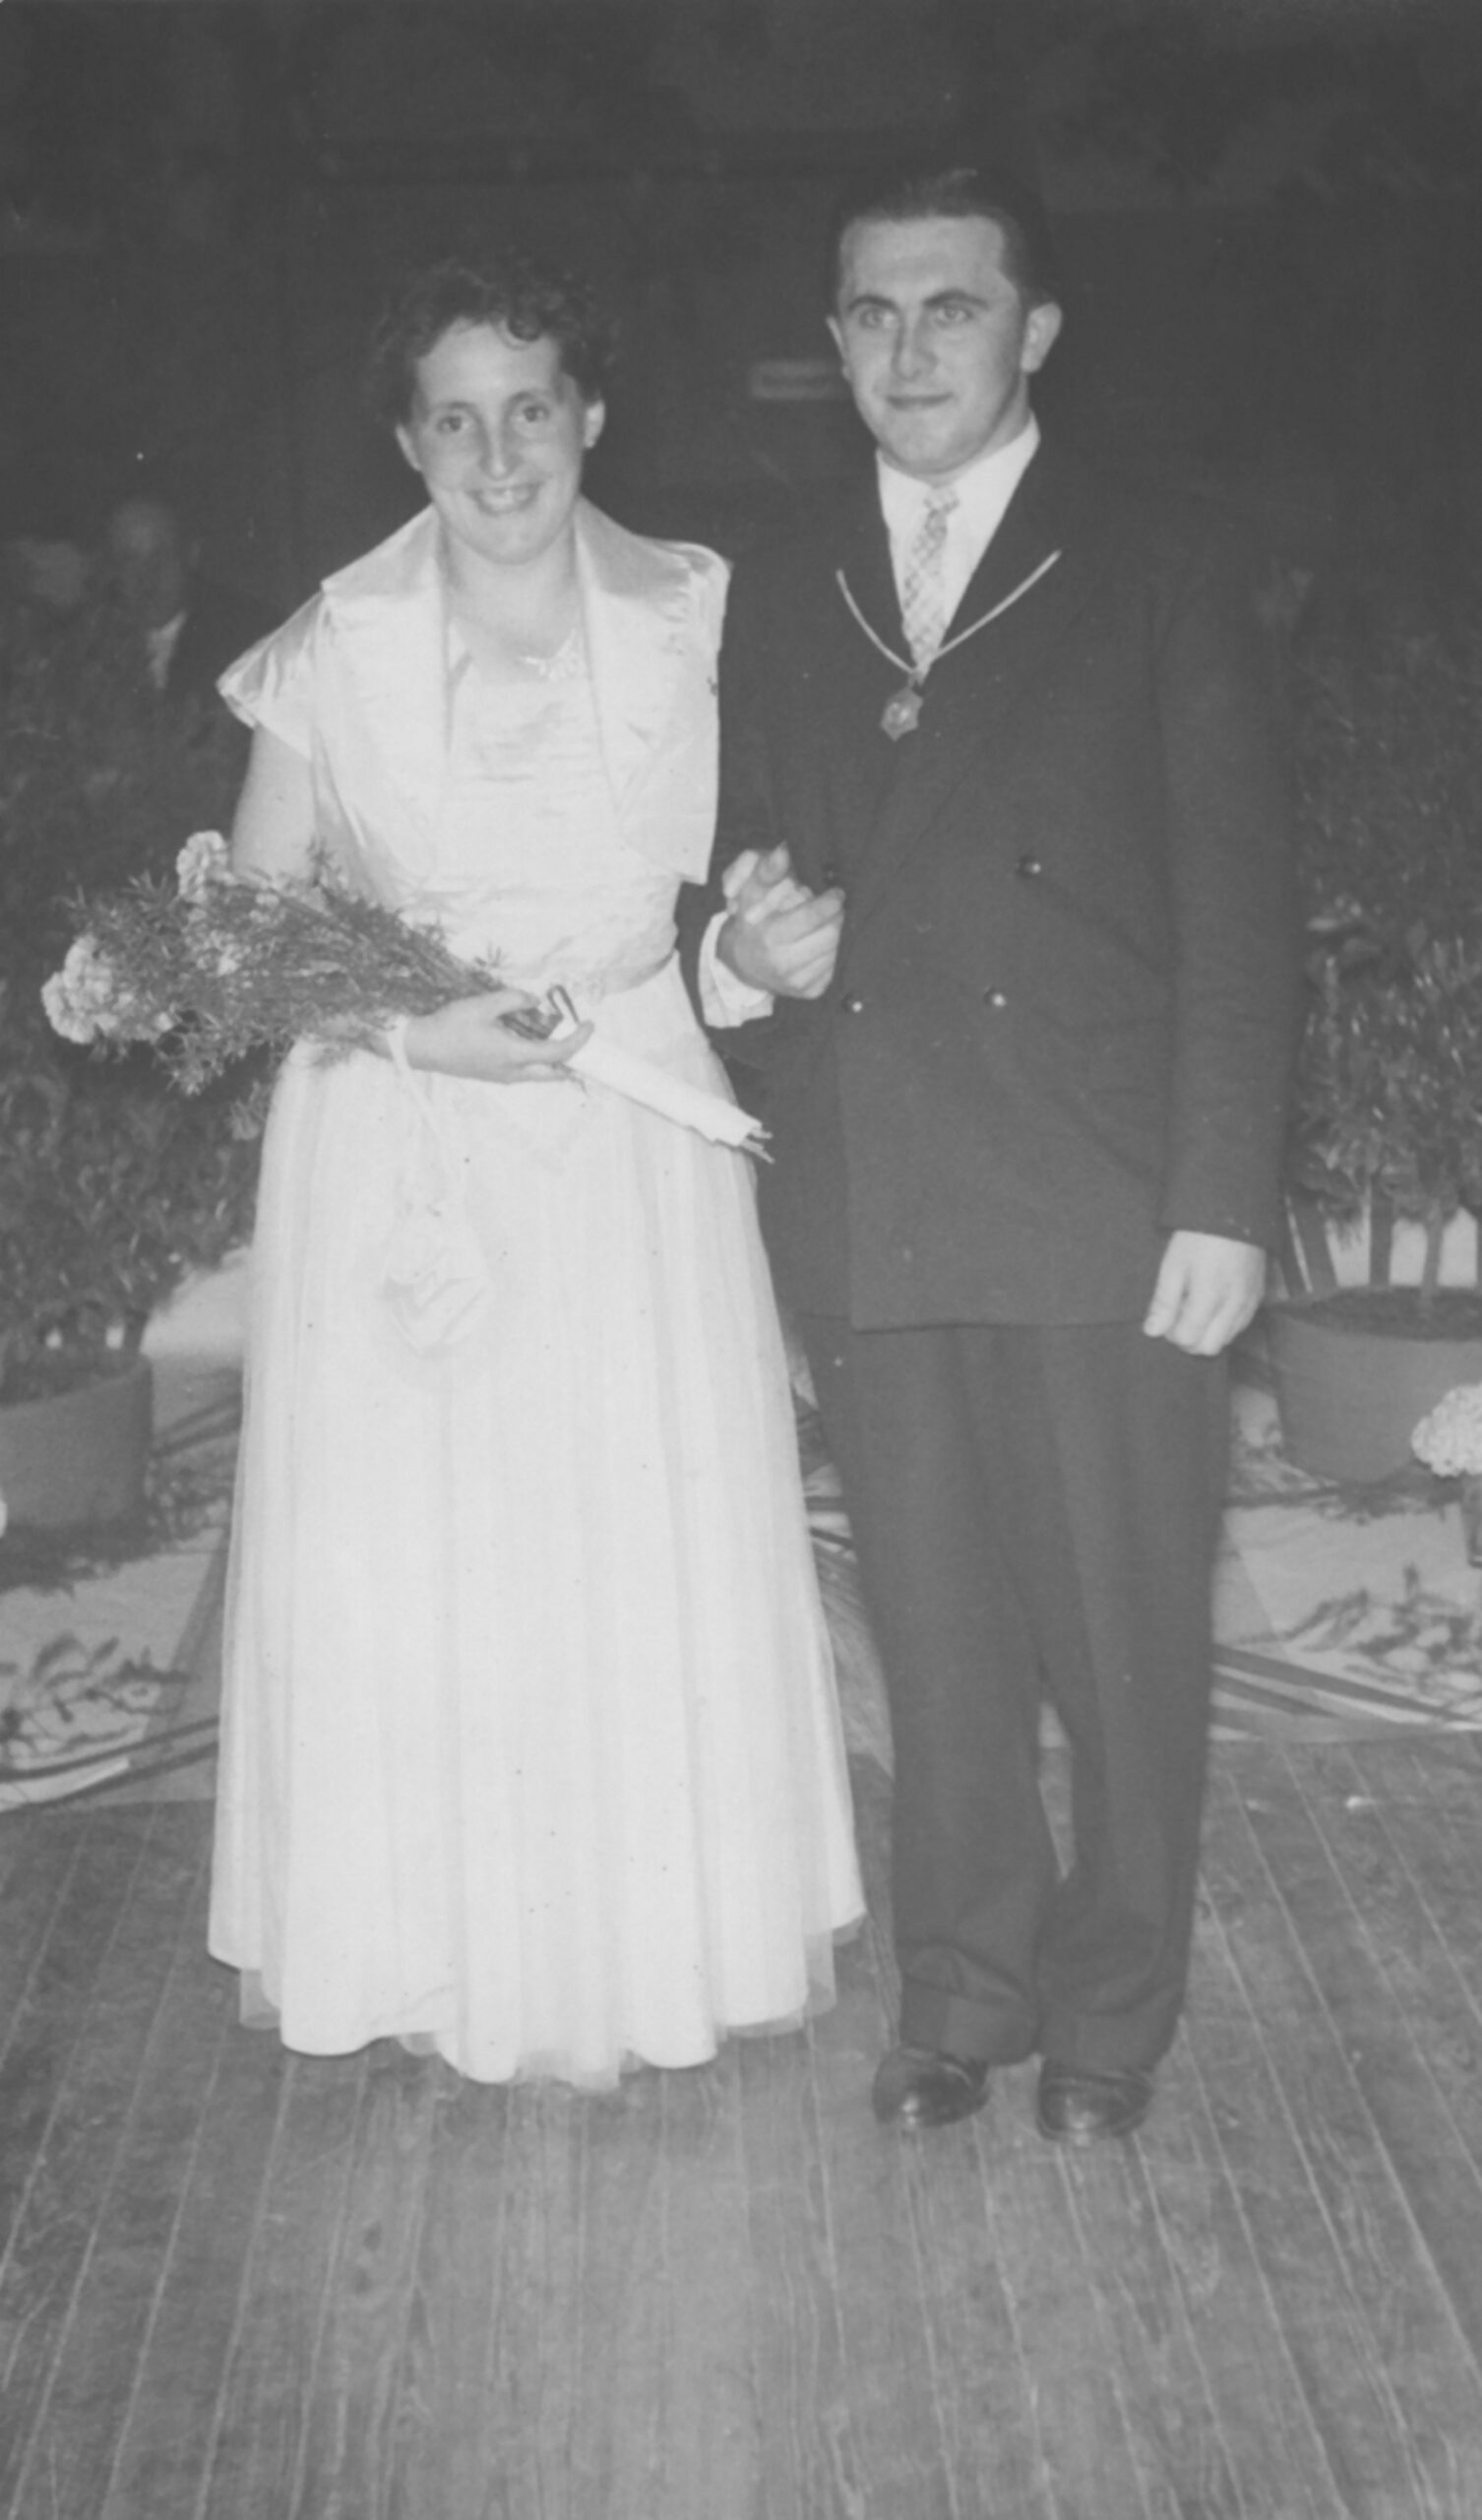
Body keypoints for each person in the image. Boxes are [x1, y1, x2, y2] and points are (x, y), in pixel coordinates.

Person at [207, 242, 862, 2088]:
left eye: (529, 411)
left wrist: (748, 954)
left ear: (590, 416)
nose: (497, 458)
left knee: (630, 1526)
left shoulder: (697, 612)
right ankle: (431, 1955)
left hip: (630, 1127)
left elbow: (734, 902)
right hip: (398, 1126)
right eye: (455, 421)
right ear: (408, 443)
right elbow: (248, 936)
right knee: (422, 1551)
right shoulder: (333, 644)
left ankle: (644, 1946)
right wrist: (420, 1033)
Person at [697, 161, 1299, 2142]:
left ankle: (1113, 2010)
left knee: (1123, 1643)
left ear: (1034, 328)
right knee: (937, 1632)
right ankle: (960, 1988)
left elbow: (1239, 905)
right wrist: (740, 954)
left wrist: (1221, 1194)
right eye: (871, 313)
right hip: (873, 1181)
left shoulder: (1155, 555)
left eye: (949, 307)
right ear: (834, 338)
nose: (907, 349)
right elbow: (720, 867)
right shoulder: (779, 579)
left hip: (1101, 1191)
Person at [103, 490, 273, 703]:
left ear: (191, 554)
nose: (146, 577)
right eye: (129, 560)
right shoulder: (89, 643)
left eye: (160, 556)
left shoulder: (248, 635)